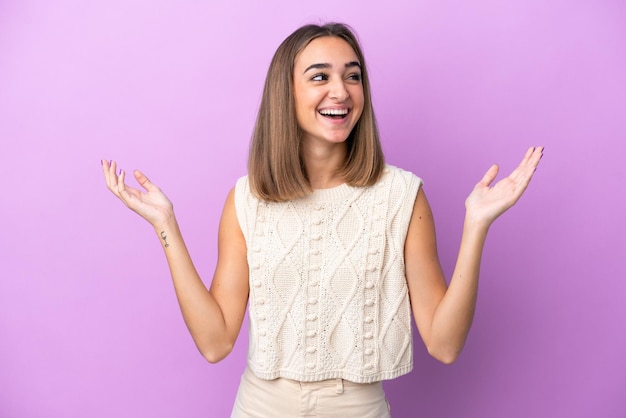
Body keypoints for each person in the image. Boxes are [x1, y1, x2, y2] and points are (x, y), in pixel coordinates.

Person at [102, 22, 543, 418]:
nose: (341, 90)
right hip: (260, 408)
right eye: (320, 76)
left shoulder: (402, 196)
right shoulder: (247, 200)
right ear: (286, 92)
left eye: (353, 76)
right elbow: (215, 342)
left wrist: (477, 225)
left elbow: (444, 346)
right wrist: (166, 226)